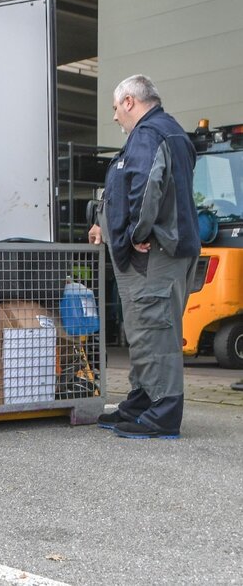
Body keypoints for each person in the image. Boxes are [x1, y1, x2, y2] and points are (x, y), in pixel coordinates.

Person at [89, 74, 200, 439]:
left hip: (154, 255)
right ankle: (142, 400)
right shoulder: (165, 132)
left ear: (129, 102)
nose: (116, 117)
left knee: (156, 330)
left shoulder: (149, 134)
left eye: (115, 109)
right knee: (143, 332)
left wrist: (135, 232)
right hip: (160, 252)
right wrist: (105, 224)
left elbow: (147, 184)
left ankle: (164, 412)